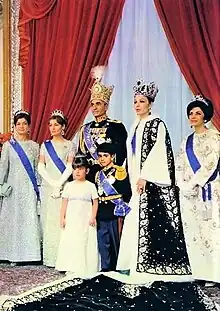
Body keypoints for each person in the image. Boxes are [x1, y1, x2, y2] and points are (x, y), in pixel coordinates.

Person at [117, 79, 191, 282]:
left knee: (147, 218)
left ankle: (148, 264)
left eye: (142, 101)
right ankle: (131, 261)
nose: (138, 105)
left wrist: (145, 177)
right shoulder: (135, 125)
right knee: (135, 217)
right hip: (135, 180)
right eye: (135, 102)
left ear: (150, 104)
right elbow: (132, 153)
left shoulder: (156, 124)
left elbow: (159, 152)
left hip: (148, 182)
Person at [175, 95, 220, 284]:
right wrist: (183, 186)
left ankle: (215, 274)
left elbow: (212, 164)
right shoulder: (186, 140)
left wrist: (194, 182)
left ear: (205, 116)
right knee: (193, 232)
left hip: (209, 191)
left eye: (198, 113)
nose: (193, 116)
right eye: (191, 113)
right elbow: (179, 165)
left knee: (211, 231)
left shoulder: (215, 138)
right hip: (189, 195)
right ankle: (200, 273)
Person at [0, 110, 41, 263]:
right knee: (12, 220)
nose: (22, 126)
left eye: (25, 123)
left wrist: (39, 189)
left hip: (29, 188)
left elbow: (37, 170)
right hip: (12, 189)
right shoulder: (8, 146)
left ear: (29, 126)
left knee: (28, 219)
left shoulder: (35, 146)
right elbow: (3, 168)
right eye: (19, 124)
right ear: (14, 126)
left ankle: (30, 255)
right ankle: (8, 255)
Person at [38, 110, 76, 267]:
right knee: (48, 221)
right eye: (51, 125)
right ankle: (49, 258)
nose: (53, 128)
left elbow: (69, 167)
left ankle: (62, 258)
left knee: (62, 221)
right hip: (48, 187)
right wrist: (52, 183)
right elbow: (41, 167)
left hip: (63, 187)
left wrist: (59, 184)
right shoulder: (45, 145)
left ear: (63, 127)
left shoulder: (70, 145)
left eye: (56, 125)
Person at [78, 66, 127, 182]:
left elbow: (121, 153)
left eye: (98, 104)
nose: (94, 107)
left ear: (106, 106)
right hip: (89, 177)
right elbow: (81, 155)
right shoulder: (85, 129)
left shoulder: (116, 126)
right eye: (92, 104)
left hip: (109, 177)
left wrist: (109, 172)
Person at [56, 155, 99, 277]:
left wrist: (93, 216)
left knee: (84, 240)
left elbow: (95, 202)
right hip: (72, 218)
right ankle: (70, 265)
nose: (78, 171)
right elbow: (64, 203)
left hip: (85, 218)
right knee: (71, 239)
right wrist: (62, 218)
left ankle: (85, 266)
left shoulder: (90, 185)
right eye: (75, 169)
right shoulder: (69, 186)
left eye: (81, 168)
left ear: (87, 170)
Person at [95, 142, 132, 272]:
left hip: (114, 210)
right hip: (101, 211)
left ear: (112, 156)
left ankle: (118, 268)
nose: (102, 158)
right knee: (103, 242)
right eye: (99, 156)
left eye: (105, 155)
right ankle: (106, 268)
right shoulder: (97, 174)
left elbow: (126, 191)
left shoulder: (119, 171)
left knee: (116, 241)